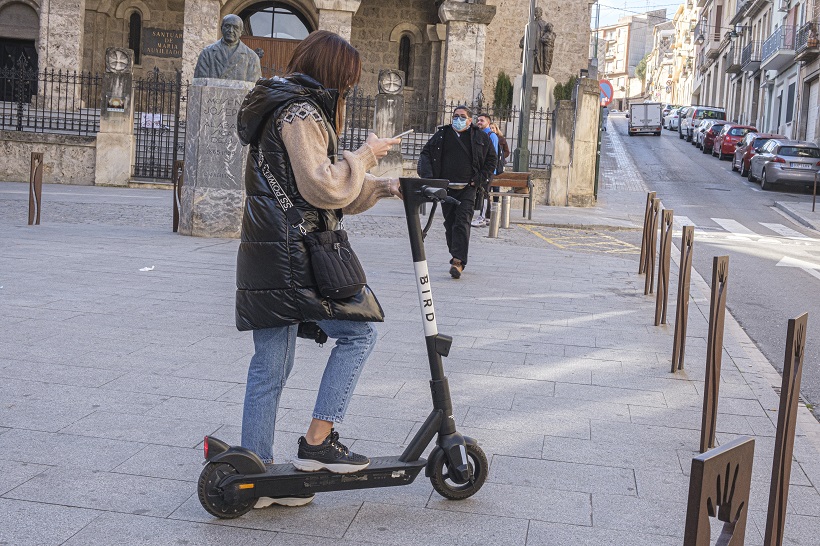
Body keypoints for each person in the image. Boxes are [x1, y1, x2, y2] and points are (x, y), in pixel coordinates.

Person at [235, 30, 401, 509]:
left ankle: (257, 473)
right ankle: (317, 442)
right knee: (358, 334)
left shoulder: (281, 106)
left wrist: (382, 186)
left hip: (268, 251)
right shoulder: (302, 111)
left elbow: (324, 191)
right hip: (291, 256)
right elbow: (324, 187)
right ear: (334, 72)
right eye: (347, 80)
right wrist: (367, 155)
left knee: (270, 364)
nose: (348, 90)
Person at [417, 105, 496, 279]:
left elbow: (492, 160)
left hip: (467, 188)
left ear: (469, 120)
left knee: (462, 222)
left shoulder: (480, 137)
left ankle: (458, 261)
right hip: (447, 188)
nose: (458, 119)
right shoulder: (442, 135)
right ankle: (455, 254)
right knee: (449, 223)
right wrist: (430, 179)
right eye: (455, 116)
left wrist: (480, 179)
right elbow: (426, 154)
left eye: (462, 116)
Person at [194, 14, 262, 82]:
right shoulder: (207, 53)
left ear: (241, 32)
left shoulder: (252, 57)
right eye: (227, 26)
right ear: (221, 28)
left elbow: (253, 88)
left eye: (235, 27)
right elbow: (199, 83)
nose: (231, 30)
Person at [471, 113, 499, 228]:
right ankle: (486, 217)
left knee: (484, 193)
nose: (479, 122)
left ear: (488, 122)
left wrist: (487, 170)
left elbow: (493, 155)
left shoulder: (491, 135)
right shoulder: (480, 134)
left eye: (482, 120)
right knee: (483, 193)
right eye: (478, 120)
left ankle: (483, 217)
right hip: (481, 170)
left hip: (487, 171)